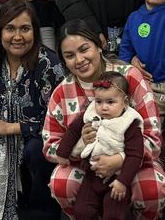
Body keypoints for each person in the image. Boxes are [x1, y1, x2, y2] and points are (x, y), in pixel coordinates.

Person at [42, 20, 165, 220]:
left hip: (135, 162)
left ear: (99, 45)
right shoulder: (61, 92)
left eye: (84, 49)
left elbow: (153, 137)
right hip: (87, 167)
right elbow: (50, 146)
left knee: (152, 188)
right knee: (60, 183)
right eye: (69, 55)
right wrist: (80, 144)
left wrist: (120, 159)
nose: (79, 59)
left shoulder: (129, 77)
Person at [0, 0, 63, 220]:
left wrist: (14, 127)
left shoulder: (48, 64)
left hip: (39, 133)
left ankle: (43, 207)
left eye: (25, 29)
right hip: (4, 130)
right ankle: (20, 195)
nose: (17, 36)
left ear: (35, 32)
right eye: (10, 28)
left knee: (37, 154)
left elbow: (58, 119)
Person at [53, 71, 144, 220]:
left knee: (114, 213)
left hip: (117, 178)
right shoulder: (91, 114)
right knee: (83, 211)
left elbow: (135, 154)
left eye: (110, 102)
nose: (103, 107)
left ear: (125, 102)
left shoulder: (129, 123)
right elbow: (73, 130)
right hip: (91, 175)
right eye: (99, 101)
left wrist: (123, 181)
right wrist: (62, 153)